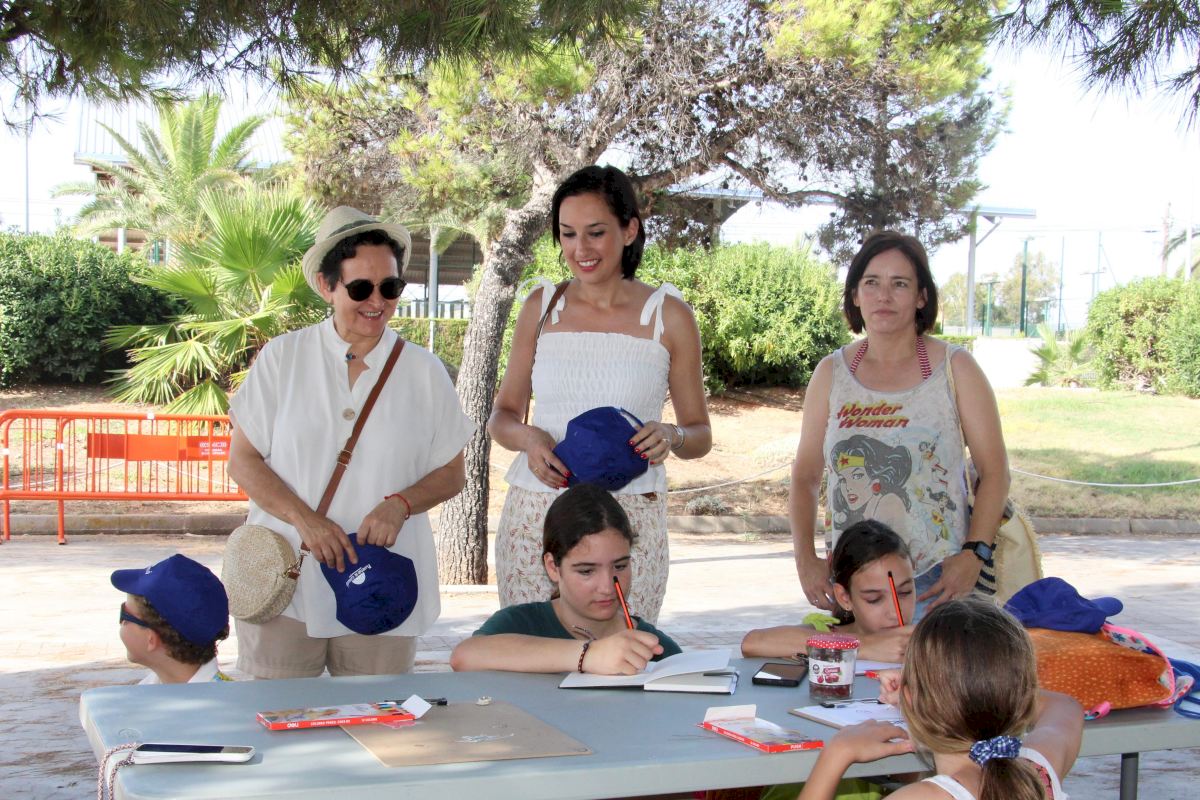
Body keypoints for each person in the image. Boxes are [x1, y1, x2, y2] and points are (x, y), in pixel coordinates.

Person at [227, 206, 474, 679]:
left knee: (378, 717)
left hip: (383, 586)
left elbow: (452, 472)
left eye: (391, 287)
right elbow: (243, 461)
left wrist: (401, 504)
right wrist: (306, 521)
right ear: (327, 286)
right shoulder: (283, 358)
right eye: (361, 288)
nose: (377, 302)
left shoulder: (424, 371)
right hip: (287, 582)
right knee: (281, 717)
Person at [488, 165, 711, 624]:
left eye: (595, 233)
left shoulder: (668, 315)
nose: (580, 249)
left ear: (629, 230)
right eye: (568, 234)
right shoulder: (541, 306)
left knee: (625, 653)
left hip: (630, 520)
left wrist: (671, 435)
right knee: (532, 651)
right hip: (538, 515)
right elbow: (502, 417)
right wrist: (530, 438)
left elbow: (700, 435)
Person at [791, 231, 1009, 619]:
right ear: (855, 295)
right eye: (872, 282)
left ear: (921, 297)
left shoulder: (956, 369)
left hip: (940, 583)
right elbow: (805, 476)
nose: (884, 296)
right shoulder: (831, 374)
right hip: (858, 585)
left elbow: (995, 473)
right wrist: (805, 559)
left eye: (900, 284)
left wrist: (973, 554)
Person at [798, 598, 1083, 800]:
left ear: (910, 698)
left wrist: (837, 754)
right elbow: (1064, 706)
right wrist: (941, 694)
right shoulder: (1040, 774)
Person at [451, 483, 682, 674]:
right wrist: (590, 655)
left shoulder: (654, 647)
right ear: (553, 567)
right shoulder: (520, 624)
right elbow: (465, 656)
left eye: (620, 566)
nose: (607, 587)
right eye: (586, 571)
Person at [742, 520, 914, 663]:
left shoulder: (925, 637)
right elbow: (752, 643)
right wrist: (865, 646)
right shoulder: (828, 633)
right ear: (844, 597)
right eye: (874, 599)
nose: (894, 611)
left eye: (905, 592)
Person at [112, 554, 233, 684]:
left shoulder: (232, 700)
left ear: (151, 639)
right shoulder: (148, 687)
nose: (122, 622)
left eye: (124, 615)